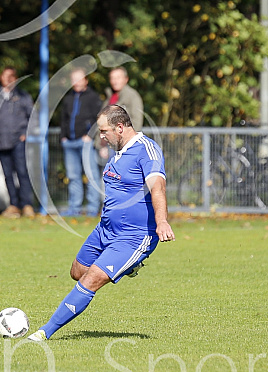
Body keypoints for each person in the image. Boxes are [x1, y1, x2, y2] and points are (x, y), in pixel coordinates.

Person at [28, 105, 175, 341]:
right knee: (77, 272)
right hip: (105, 229)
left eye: (104, 131)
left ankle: (44, 332)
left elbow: (158, 187)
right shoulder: (116, 149)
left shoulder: (147, 150)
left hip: (134, 235)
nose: (101, 136)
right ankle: (129, 266)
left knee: (91, 279)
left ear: (120, 127)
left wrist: (162, 221)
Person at [0, 66, 35, 218]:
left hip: (19, 141)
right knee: (7, 175)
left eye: (11, 76)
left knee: (22, 173)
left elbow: (32, 116)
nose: (8, 79)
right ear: (0, 77)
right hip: (1, 141)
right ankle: (13, 205)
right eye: (5, 76)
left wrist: (26, 133)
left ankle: (27, 205)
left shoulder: (23, 96)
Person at [60, 68, 103, 216]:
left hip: (85, 142)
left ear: (85, 80)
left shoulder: (93, 97)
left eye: (79, 79)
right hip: (69, 143)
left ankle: (92, 208)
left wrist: (90, 135)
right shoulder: (68, 98)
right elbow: (64, 119)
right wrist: (63, 137)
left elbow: (98, 119)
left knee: (91, 176)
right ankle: (74, 208)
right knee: (73, 177)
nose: (76, 83)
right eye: (73, 80)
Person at [97, 67, 144, 160]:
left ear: (126, 79)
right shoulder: (109, 97)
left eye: (118, 77)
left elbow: (137, 122)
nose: (115, 81)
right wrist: (99, 143)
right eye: (112, 78)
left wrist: (121, 139)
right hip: (106, 145)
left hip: (123, 145)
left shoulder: (133, 97)